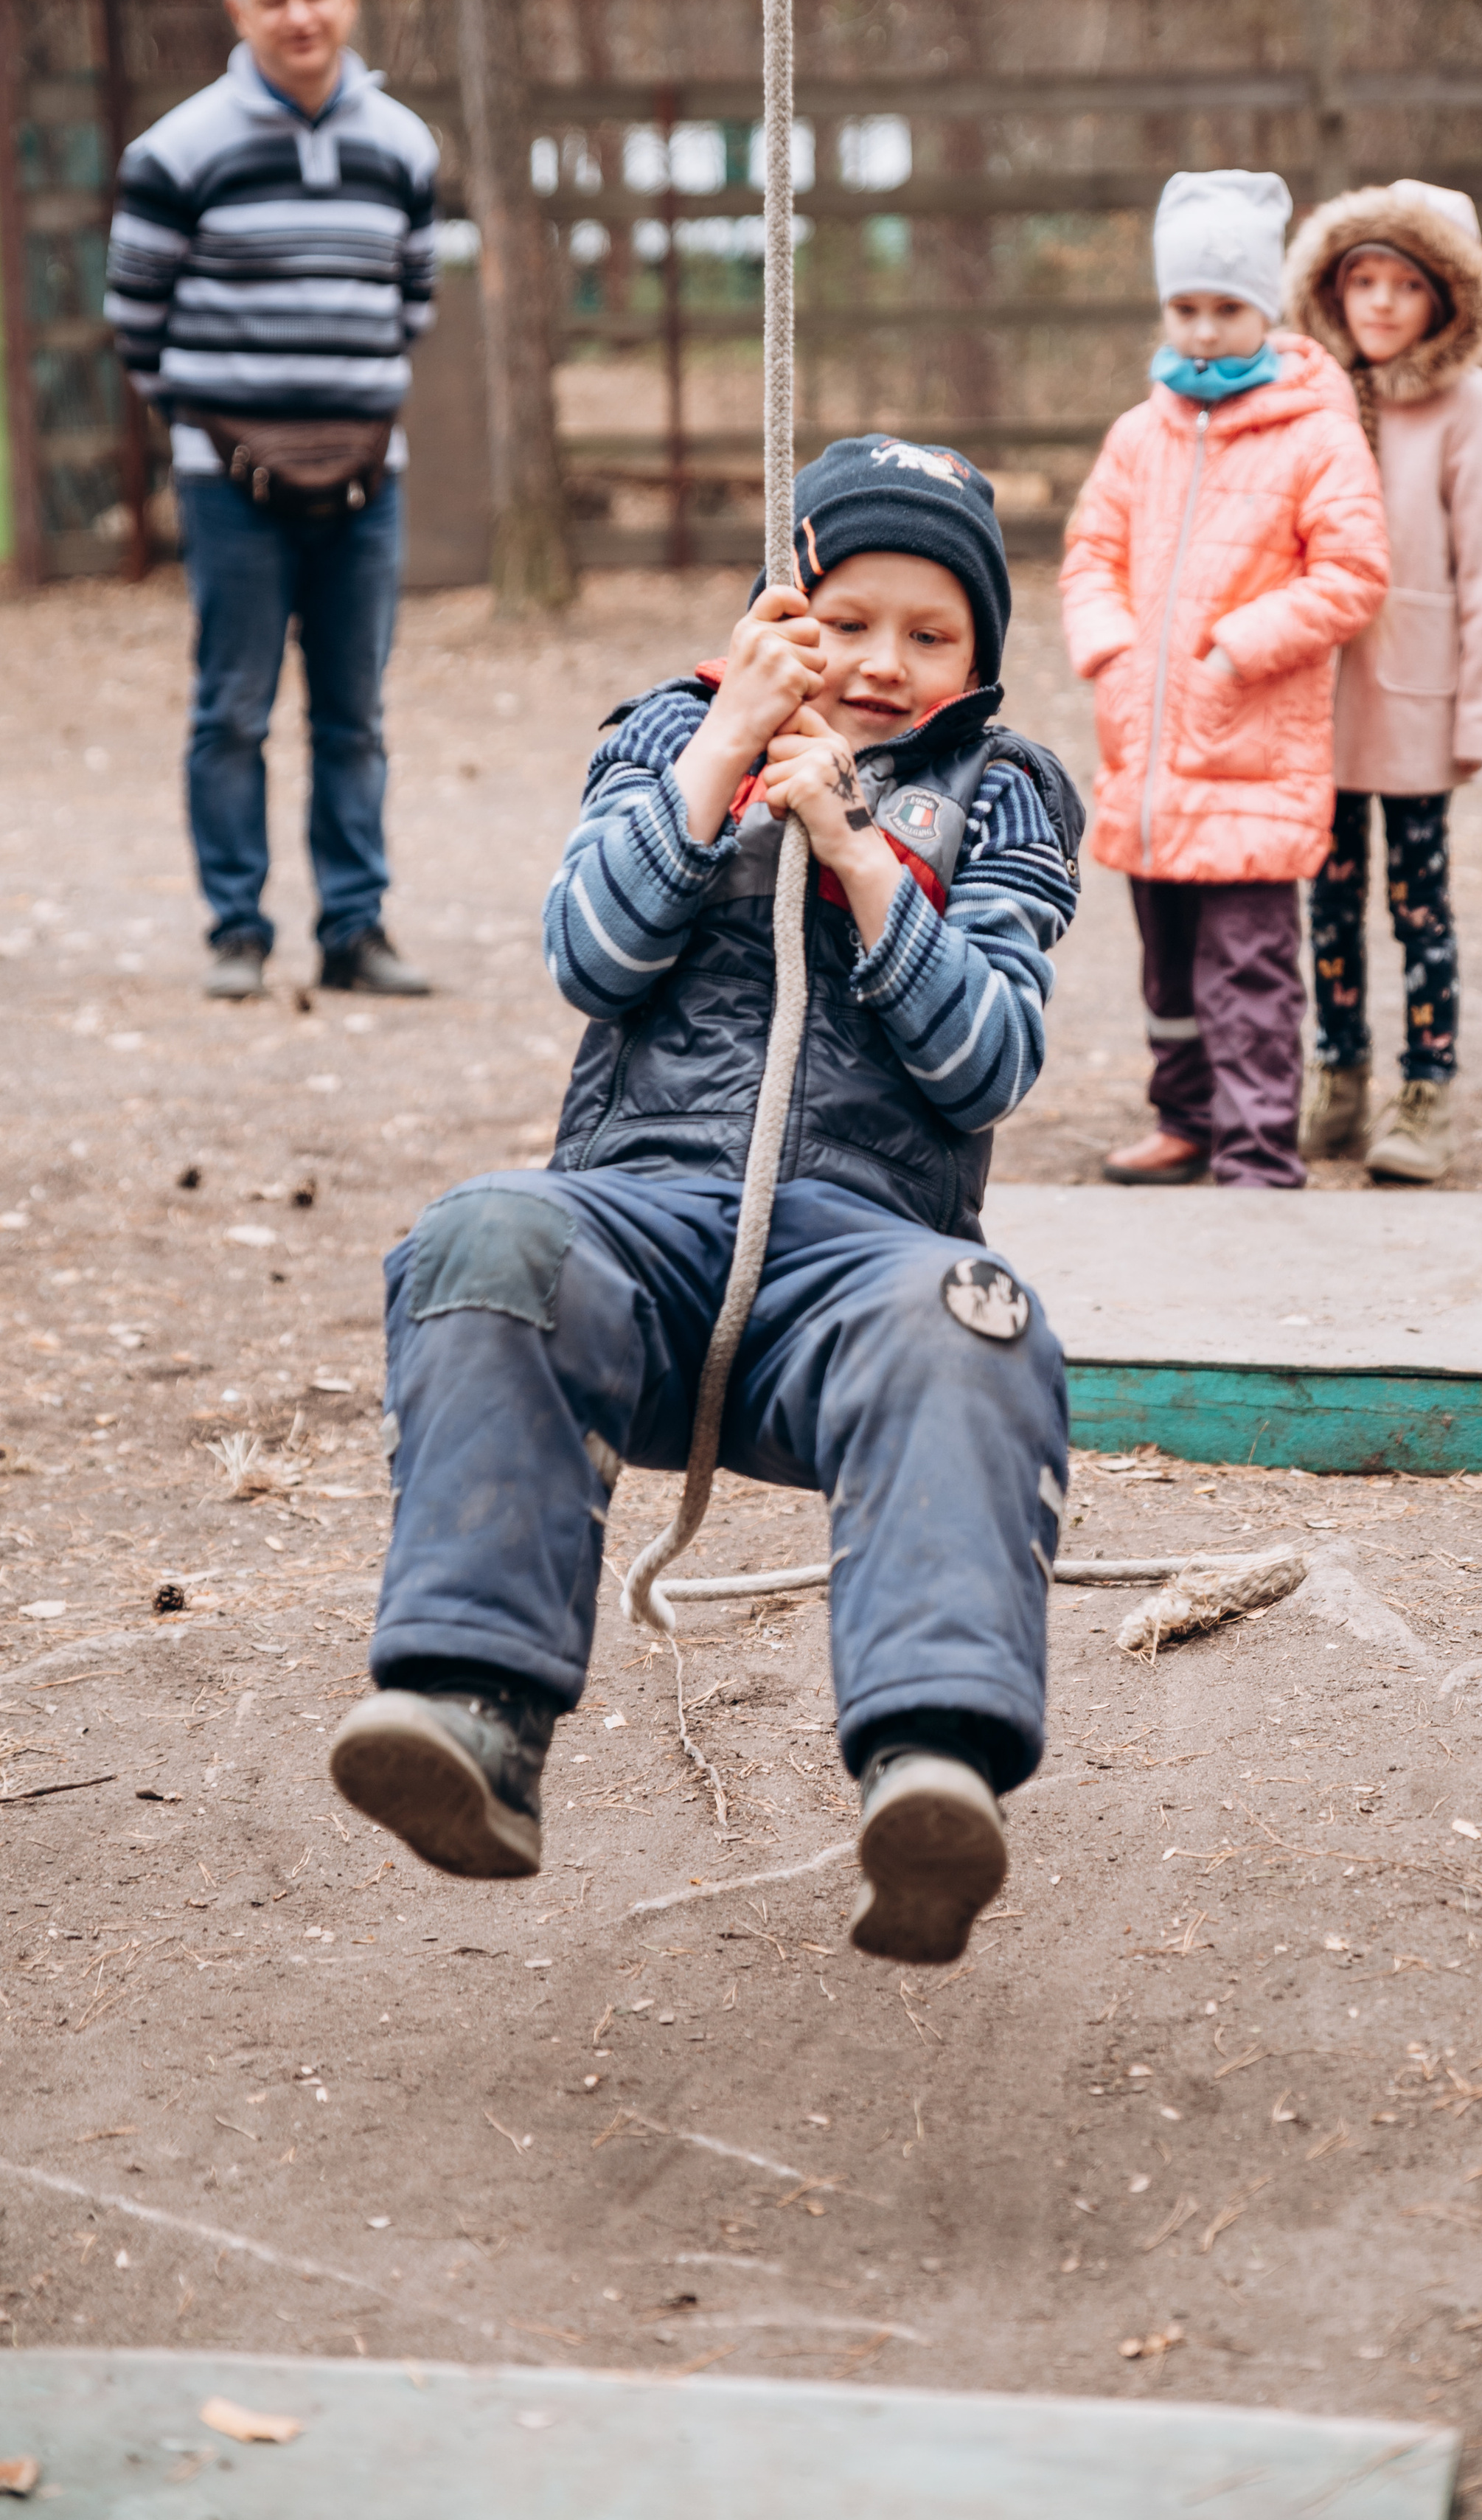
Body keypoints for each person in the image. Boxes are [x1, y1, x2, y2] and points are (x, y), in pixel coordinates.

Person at [327, 439, 1083, 1968]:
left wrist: (859, 857)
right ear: (778, 608)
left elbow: (988, 1061)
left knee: (971, 1326)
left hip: (864, 1255)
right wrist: (722, 746)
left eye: (930, 636)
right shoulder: (672, 730)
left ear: (979, 658)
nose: (880, 662)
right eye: (847, 618)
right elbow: (588, 956)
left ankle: (929, 1764)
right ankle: (475, 1709)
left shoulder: (1000, 792)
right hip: (638, 1223)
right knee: (486, 1234)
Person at [105, 0, 437, 1003]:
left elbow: (413, 303)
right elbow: (135, 321)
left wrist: (342, 414)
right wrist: (222, 427)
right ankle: (237, 934)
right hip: (231, 486)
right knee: (232, 708)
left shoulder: (404, 146)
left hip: (365, 480)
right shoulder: (176, 151)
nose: (300, 14)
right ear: (238, 10)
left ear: (348, 1)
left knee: (356, 712)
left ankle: (356, 930)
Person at [1060, 170, 1389, 1188]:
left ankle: (1256, 1146)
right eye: (1187, 308)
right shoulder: (1137, 432)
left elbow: (1354, 572)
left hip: (1250, 752)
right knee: (1167, 963)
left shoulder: (1316, 431)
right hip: (1149, 754)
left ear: (1266, 311)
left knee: (1247, 965)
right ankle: (1185, 1116)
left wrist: (1242, 643)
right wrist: (1112, 651)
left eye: (1227, 309)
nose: (1204, 331)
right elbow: (1089, 555)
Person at [1282, 181, 1482, 1184]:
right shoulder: (1312, 387)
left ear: (1448, 296)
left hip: (1419, 693)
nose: (1379, 304)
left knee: (1418, 895)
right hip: (1317, 696)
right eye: (1361, 281)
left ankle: (1427, 1086)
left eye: (1404, 285)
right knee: (1327, 896)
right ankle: (1339, 1073)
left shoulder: (1477, 405)